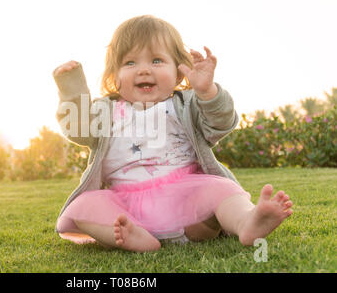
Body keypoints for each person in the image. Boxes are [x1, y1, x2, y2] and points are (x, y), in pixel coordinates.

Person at [52, 15, 293, 252]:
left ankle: (246, 222)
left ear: (179, 72)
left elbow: (220, 123)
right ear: (115, 75)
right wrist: (72, 87)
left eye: (156, 61)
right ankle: (132, 236)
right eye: (130, 63)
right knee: (84, 205)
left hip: (187, 201)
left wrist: (207, 92)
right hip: (125, 206)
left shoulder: (186, 105)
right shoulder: (106, 111)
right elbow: (78, 127)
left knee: (221, 189)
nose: (144, 70)